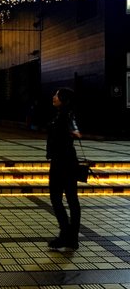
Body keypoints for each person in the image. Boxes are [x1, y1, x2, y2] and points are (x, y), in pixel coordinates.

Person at [46, 87, 81, 250]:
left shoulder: (66, 115)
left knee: (61, 198)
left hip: (63, 163)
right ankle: (70, 237)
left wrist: (71, 132)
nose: (54, 96)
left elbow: (76, 133)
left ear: (63, 99)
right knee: (69, 199)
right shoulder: (62, 114)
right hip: (63, 161)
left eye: (57, 95)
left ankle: (67, 235)